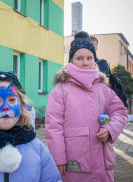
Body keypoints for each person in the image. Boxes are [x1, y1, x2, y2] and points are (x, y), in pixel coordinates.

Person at [45, 32, 127, 182]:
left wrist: (110, 129)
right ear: (71, 60)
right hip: (75, 163)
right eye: (79, 58)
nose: (85, 62)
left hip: (102, 162)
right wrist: (58, 158)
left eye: (89, 58)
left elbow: (120, 112)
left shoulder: (103, 88)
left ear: (94, 60)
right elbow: (53, 126)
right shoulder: (61, 90)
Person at [90, 33, 128, 107]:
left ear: (96, 49)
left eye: (93, 47)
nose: (90, 49)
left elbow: (101, 83)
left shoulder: (102, 64)